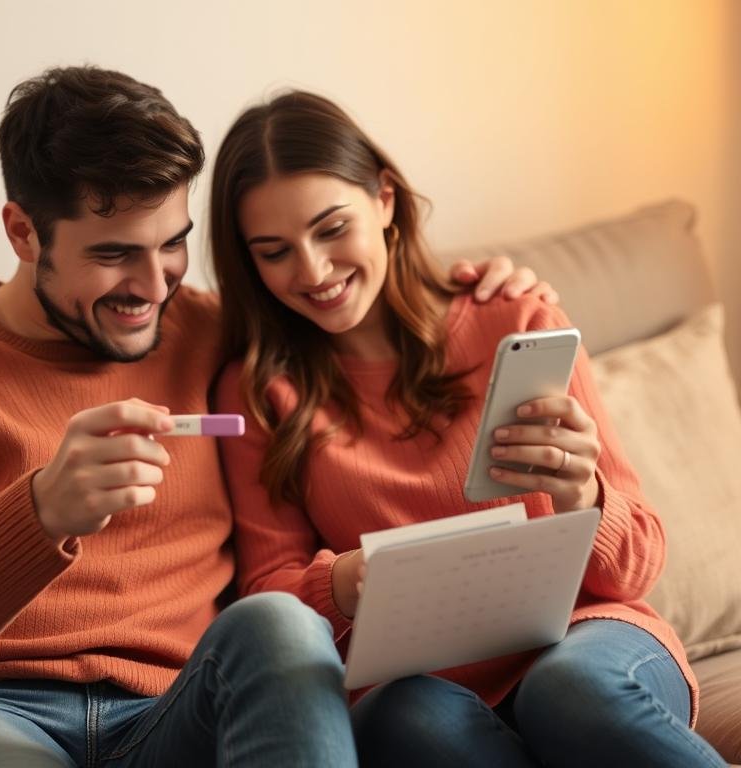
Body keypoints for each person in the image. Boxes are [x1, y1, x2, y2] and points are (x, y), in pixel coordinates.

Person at [0, 66, 542, 768]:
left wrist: (480, 292)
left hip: (176, 708)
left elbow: (357, 311)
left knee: (281, 624)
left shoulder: (219, 335)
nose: (152, 284)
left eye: (171, 245)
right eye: (113, 254)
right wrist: (40, 515)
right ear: (23, 232)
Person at [210, 90, 727, 768]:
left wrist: (584, 501)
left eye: (332, 228)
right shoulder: (258, 393)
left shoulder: (513, 318)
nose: (312, 270)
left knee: (568, 689)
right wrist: (344, 581)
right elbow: (266, 598)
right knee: (400, 720)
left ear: (385, 200)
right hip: (422, 685)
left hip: (588, 642)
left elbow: (639, 563)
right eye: (274, 251)